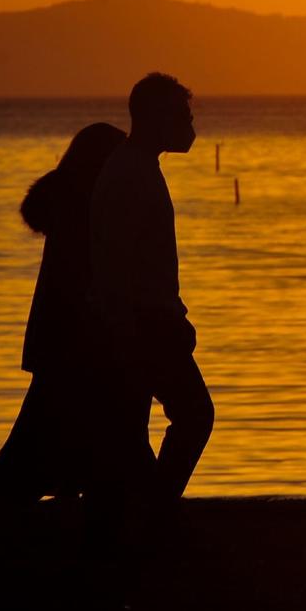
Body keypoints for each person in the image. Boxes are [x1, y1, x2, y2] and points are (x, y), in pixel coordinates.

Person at [89, 73, 214, 520]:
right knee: (194, 415)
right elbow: (118, 262)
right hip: (143, 323)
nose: (192, 125)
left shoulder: (138, 167)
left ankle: (139, 513)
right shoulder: (130, 174)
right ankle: (154, 511)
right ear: (157, 118)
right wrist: (137, 326)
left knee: (132, 430)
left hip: (146, 320)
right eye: (183, 115)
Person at [0, 121, 126, 504]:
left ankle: (54, 489)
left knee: (57, 418)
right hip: (76, 335)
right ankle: (20, 489)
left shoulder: (74, 203)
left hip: (60, 335)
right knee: (56, 419)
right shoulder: (90, 206)